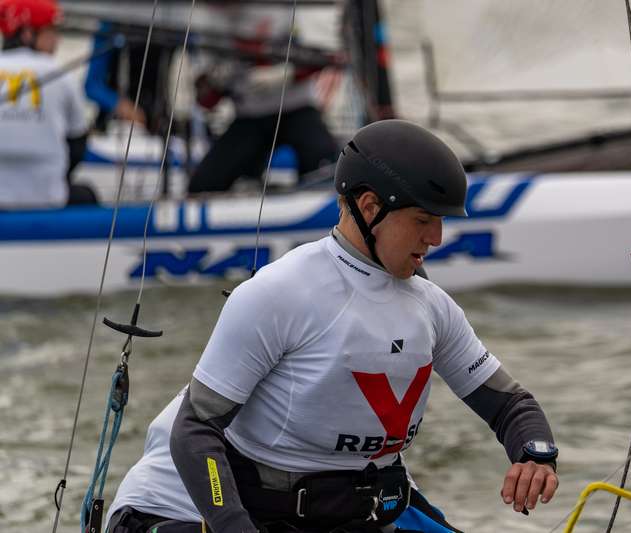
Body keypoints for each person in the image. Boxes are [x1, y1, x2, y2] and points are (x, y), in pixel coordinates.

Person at [105, 120, 559, 533]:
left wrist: (534, 454)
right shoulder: (281, 293)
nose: (437, 238)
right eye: (423, 220)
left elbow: (510, 404)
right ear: (369, 207)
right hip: (182, 512)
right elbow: (194, 431)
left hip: (335, 512)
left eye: (440, 222)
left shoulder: (433, 307)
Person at [187, 3, 339, 193]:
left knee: (324, 167)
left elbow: (322, 55)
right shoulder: (209, 22)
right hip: (249, 118)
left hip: (297, 109)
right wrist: (215, 81)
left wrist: (285, 74)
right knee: (203, 184)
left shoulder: (284, 9)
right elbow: (206, 101)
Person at [0, 0, 95, 209]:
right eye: (51, 31)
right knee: (87, 195)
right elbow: (78, 145)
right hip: (47, 199)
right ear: (27, 34)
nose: (57, 40)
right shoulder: (61, 75)